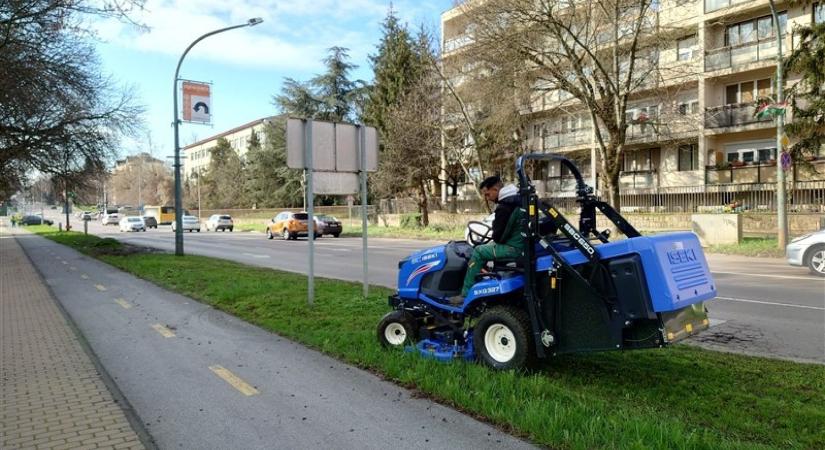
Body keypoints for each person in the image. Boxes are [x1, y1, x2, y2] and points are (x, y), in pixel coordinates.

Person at [450, 176, 526, 305]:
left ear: (496, 189)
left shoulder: (505, 207)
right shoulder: (519, 201)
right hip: (522, 245)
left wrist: (494, 235)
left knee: (479, 251)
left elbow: (498, 237)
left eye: (488, 194)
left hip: (514, 249)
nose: (487, 197)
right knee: (488, 248)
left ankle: (466, 294)